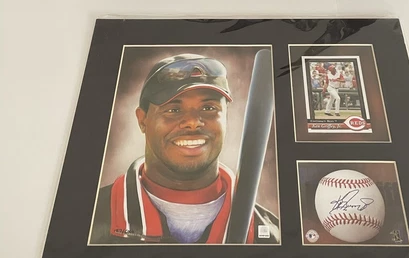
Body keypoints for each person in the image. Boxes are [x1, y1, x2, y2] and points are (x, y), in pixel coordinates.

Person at [90, 54, 279, 244]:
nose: (192, 122)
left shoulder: (270, 235)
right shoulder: (90, 217)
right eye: (173, 110)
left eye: (208, 108)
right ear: (142, 120)